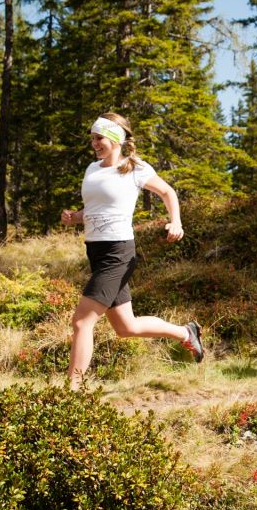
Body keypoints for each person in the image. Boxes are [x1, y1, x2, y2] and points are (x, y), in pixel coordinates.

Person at [61, 112, 204, 389]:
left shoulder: (135, 167)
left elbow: (167, 192)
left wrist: (175, 221)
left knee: (81, 322)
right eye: (92, 138)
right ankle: (185, 332)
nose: (94, 143)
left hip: (118, 253)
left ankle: (71, 391)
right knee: (127, 328)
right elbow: (95, 210)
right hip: (96, 252)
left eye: (99, 137)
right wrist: (75, 217)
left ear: (115, 138)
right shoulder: (92, 169)